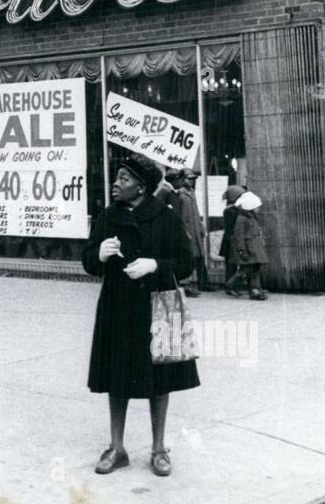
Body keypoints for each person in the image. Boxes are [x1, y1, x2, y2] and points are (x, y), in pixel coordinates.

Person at [84, 156, 197, 478]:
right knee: (115, 377)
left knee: (159, 379)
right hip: (117, 306)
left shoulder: (165, 217)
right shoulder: (108, 217)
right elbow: (90, 263)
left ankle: (158, 449)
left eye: (124, 179)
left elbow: (186, 263)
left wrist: (155, 265)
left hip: (157, 306)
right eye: (117, 178)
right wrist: (99, 254)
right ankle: (117, 448)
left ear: (142, 187)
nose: (116, 183)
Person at [167, 169, 207, 296]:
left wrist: (201, 226)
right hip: (188, 231)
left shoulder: (192, 193)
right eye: (189, 179)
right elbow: (179, 215)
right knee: (189, 257)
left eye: (194, 179)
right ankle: (188, 284)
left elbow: (196, 211)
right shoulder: (180, 194)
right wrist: (183, 232)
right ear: (183, 180)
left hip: (196, 230)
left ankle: (203, 283)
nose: (192, 181)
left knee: (200, 256)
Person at [228, 191, 268, 300]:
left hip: (254, 247)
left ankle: (255, 289)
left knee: (255, 269)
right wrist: (242, 251)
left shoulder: (250, 217)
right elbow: (239, 237)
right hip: (249, 248)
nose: (258, 209)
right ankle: (231, 285)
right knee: (246, 269)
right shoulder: (242, 219)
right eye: (256, 207)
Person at [218, 184, 246, 293]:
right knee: (231, 265)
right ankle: (230, 287)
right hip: (231, 240)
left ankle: (232, 286)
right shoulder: (230, 211)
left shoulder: (233, 209)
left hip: (231, 239)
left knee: (232, 264)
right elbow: (230, 228)